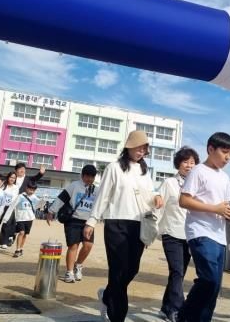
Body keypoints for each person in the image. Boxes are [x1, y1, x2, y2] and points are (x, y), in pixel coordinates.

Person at [84, 130, 163, 322]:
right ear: (128, 147)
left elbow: (149, 194)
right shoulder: (114, 168)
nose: (141, 151)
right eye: (138, 147)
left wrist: (156, 197)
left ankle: (107, 295)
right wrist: (92, 221)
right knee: (118, 270)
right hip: (116, 223)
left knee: (132, 269)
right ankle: (117, 316)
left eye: (144, 148)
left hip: (139, 224)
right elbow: (103, 195)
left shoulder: (145, 171)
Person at [177, 132, 230, 322]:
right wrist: (215, 209)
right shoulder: (198, 171)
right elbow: (184, 201)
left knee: (214, 286)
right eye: (224, 152)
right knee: (209, 279)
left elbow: (225, 205)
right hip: (200, 231)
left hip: (219, 235)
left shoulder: (225, 177)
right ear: (211, 149)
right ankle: (183, 315)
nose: (228, 157)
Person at [158, 146, 200, 322]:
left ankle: (165, 307)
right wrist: (152, 229)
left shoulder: (197, 185)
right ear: (178, 164)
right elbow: (159, 204)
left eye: (192, 162)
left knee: (179, 273)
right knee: (176, 271)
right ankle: (177, 309)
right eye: (185, 162)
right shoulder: (169, 183)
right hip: (171, 233)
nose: (189, 165)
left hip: (189, 235)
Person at [47, 165, 99, 282]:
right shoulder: (74, 186)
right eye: (87, 176)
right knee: (73, 246)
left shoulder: (96, 190)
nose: (90, 179)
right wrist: (51, 211)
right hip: (73, 220)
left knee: (88, 245)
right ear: (82, 175)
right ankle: (69, 272)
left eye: (92, 177)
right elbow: (61, 198)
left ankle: (78, 265)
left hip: (88, 222)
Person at [3, 181, 39, 258]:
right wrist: (6, 218)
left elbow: (37, 207)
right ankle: (17, 250)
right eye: (30, 189)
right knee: (21, 232)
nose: (31, 191)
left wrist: (41, 204)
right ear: (26, 188)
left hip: (30, 218)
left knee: (25, 234)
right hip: (20, 218)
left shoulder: (35, 198)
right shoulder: (20, 196)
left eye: (33, 190)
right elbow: (12, 207)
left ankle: (21, 248)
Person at [0, 172, 19, 248]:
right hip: (0, 207)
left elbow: (15, 198)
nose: (12, 179)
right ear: (8, 177)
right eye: (11, 177)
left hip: (10, 208)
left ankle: (4, 242)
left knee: (7, 224)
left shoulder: (16, 187)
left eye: (14, 178)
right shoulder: (2, 185)